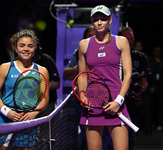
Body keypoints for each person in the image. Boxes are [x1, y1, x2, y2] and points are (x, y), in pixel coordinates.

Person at [78, 5, 132, 150]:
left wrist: (118, 101)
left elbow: (127, 76)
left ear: (110, 20)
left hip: (116, 101)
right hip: (93, 102)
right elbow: (83, 76)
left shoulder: (121, 41)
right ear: (92, 21)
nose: (100, 22)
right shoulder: (84, 45)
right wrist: (83, 95)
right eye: (96, 19)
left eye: (103, 19)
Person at [0, 29, 49, 149]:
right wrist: (7, 112)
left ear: (34, 49)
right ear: (16, 48)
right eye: (22, 45)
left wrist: (35, 112)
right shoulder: (5, 68)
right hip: (5, 119)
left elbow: (45, 99)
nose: (26, 49)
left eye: (30, 46)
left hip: (28, 120)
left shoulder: (42, 71)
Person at [64, 25, 96, 150]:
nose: (92, 39)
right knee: (85, 136)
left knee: (102, 136)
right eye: (89, 37)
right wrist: (79, 66)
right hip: (82, 101)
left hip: (101, 99)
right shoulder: (78, 53)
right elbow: (66, 74)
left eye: (94, 36)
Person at [118, 27, 148, 150]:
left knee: (131, 136)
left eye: (132, 38)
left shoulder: (141, 57)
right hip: (118, 101)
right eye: (127, 38)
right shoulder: (115, 56)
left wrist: (139, 91)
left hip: (134, 102)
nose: (130, 41)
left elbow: (145, 82)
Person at [32, 43, 60, 117]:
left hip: (47, 104)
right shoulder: (17, 62)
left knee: (46, 127)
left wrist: (39, 87)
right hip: (25, 104)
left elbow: (56, 83)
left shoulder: (47, 60)